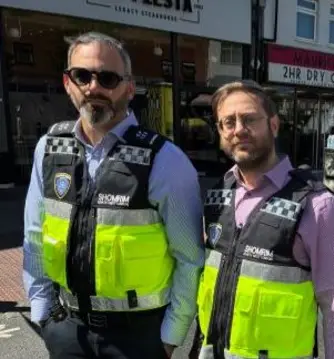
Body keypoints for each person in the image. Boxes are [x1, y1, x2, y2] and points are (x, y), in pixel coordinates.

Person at [22, 31, 205, 358]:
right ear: (68, 83)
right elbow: (35, 236)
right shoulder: (48, 149)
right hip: (67, 332)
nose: (94, 87)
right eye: (82, 76)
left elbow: (189, 260)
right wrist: (44, 314)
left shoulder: (165, 160)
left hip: (138, 338)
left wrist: (168, 339)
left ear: (129, 88)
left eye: (107, 78)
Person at [191, 80, 334, 359]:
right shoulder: (217, 195)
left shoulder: (317, 206)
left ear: (274, 125)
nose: (239, 130)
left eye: (249, 119)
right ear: (220, 132)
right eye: (228, 122)